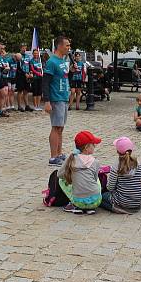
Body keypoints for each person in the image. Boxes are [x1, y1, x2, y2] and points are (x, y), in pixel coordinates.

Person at [58, 130, 103, 214]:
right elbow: (95, 178)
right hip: (96, 201)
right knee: (96, 180)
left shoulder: (71, 159)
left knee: (61, 180)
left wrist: (72, 177)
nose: (94, 146)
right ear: (86, 147)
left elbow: (59, 175)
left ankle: (76, 206)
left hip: (78, 201)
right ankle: (90, 208)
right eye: (93, 144)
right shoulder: (95, 161)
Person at [43, 36, 72, 166]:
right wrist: (47, 101)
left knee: (60, 127)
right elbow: (46, 82)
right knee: (55, 127)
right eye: (67, 45)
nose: (68, 48)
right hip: (56, 98)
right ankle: (53, 156)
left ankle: (59, 153)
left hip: (64, 96)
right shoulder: (52, 62)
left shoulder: (63, 60)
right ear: (59, 46)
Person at [102, 137, 141, 214]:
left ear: (117, 151)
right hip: (137, 201)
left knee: (101, 197)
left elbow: (110, 187)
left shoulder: (116, 166)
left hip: (123, 201)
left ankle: (118, 208)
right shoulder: (138, 163)